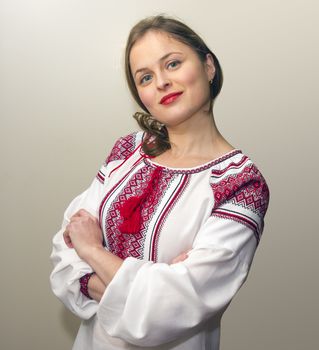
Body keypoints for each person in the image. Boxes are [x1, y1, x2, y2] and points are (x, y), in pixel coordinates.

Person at [50, 15, 270, 350]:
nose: (162, 82)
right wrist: (150, 284)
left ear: (208, 66)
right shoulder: (127, 151)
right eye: (146, 77)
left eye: (173, 63)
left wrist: (93, 249)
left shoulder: (241, 185)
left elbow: (175, 304)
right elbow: (64, 252)